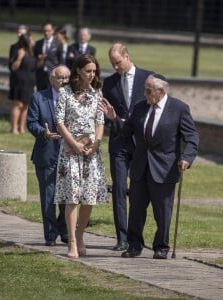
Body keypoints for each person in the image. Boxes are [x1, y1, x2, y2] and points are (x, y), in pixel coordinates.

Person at [100, 73, 199, 259]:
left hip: (164, 169)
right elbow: (125, 131)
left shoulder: (179, 109)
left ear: (161, 91)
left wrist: (186, 157)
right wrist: (114, 119)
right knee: (136, 210)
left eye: (148, 90)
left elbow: (192, 137)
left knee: (162, 212)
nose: (145, 94)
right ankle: (134, 245)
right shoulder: (140, 107)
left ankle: (161, 247)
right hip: (140, 167)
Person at [54, 54, 107, 259]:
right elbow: (59, 121)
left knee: (89, 197)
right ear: (78, 71)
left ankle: (81, 234)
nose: (92, 75)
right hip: (70, 151)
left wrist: (96, 144)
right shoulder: (65, 92)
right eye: (88, 71)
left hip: (91, 152)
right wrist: (73, 144)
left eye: (94, 71)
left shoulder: (97, 92)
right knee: (73, 197)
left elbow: (100, 121)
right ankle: (72, 243)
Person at [102, 42, 154, 251]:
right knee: (119, 190)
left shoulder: (148, 78)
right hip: (119, 143)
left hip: (141, 144)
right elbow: (104, 114)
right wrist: (113, 120)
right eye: (112, 64)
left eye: (118, 62)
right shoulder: (109, 83)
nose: (115, 67)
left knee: (140, 192)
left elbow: (156, 109)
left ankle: (136, 237)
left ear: (127, 55)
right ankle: (122, 237)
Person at [27, 65, 70, 246]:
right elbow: (31, 122)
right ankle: (50, 235)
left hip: (69, 154)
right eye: (60, 77)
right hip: (47, 154)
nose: (64, 81)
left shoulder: (74, 97)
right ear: (52, 79)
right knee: (49, 196)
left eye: (67, 77)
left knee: (68, 196)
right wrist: (43, 133)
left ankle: (65, 230)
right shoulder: (39, 98)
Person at [9, 34, 36, 134]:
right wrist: (19, 57)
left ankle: (22, 127)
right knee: (17, 104)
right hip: (19, 82)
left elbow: (34, 67)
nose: (32, 42)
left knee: (26, 105)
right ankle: (14, 128)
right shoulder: (18, 51)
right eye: (30, 40)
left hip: (29, 82)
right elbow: (13, 67)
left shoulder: (32, 53)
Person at [34, 22, 63, 90]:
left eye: (48, 31)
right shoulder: (38, 43)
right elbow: (35, 59)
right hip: (40, 76)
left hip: (52, 76)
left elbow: (61, 61)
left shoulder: (58, 43)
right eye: (44, 31)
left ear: (52, 31)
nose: (46, 33)